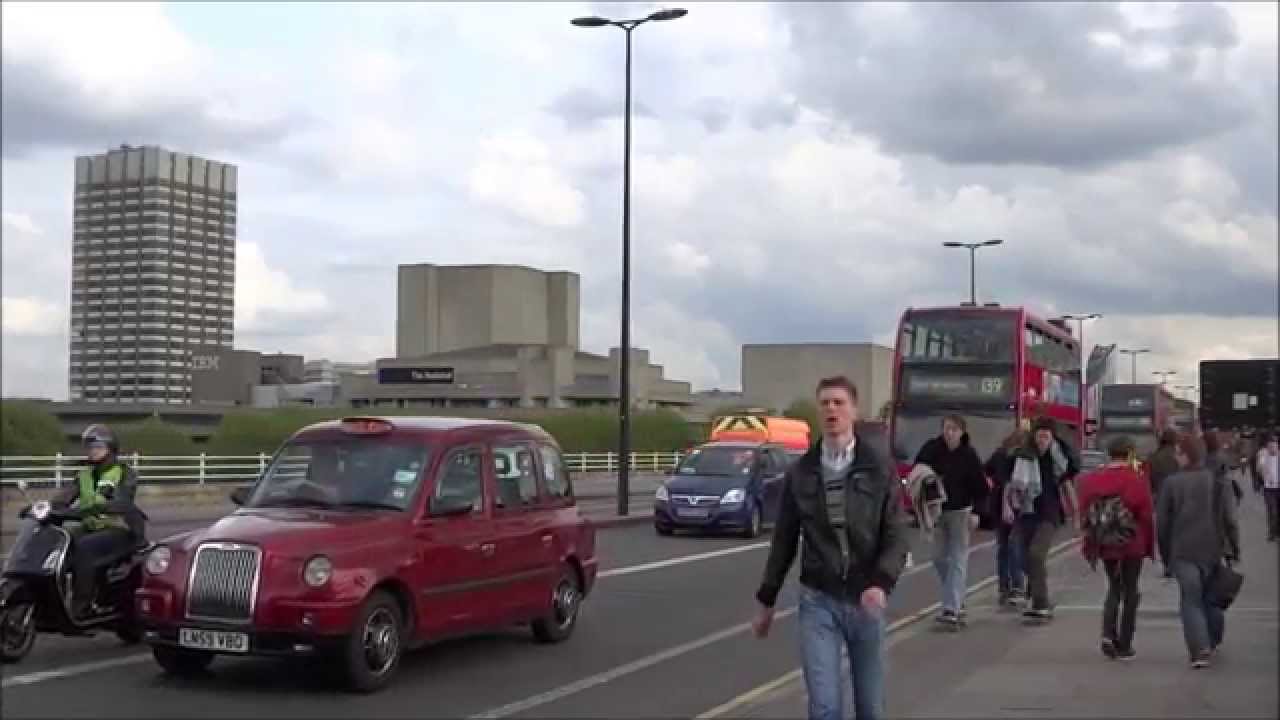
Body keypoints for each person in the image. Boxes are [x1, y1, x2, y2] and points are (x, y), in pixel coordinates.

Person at [753, 376, 909, 720]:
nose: (831, 409)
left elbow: (897, 533)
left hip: (866, 600)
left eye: (839, 402)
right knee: (825, 707)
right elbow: (784, 539)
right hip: (818, 599)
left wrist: (881, 583)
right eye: (824, 403)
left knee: (870, 708)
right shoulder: (802, 472)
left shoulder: (878, 469)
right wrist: (767, 599)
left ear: (854, 410)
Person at [1157, 434, 1240, 668]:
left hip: (1183, 551)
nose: (1175, 456)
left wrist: (1166, 556)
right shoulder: (1217, 481)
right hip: (1212, 549)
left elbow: (1163, 524)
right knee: (1210, 597)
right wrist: (1234, 547)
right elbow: (1229, 518)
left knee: (1191, 600)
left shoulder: (1171, 484)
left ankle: (1200, 649)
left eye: (1178, 452)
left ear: (1186, 455)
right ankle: (1212, 640)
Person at [52, 425, 146, 619]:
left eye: (98, 446)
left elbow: (122, 500)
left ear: (110, 449)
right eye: (90, 447)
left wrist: (100, 507)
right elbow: (64, 497)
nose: (93, 451)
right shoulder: (84, 474)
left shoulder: (124, 473)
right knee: (57, 541)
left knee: (83, 548)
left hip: (120, 528)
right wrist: (47, 508)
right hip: (92, 526)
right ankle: (53, 597)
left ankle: (82, 605)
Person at [1077, 435, 1154, 661]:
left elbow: (1085, 513)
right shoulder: (1136, 479)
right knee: (1131, 591)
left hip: (1105, 544)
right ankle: (1124, 644)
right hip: (1131, 545)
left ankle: (1107, 634)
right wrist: (1150, 546)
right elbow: (1147, 516)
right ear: (1129, 454)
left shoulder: (1092, 479)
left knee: (1113, 587)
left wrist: (1090, 543)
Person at [912, 415, 988, 626]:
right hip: (936, 511)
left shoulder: (969, 455)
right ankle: (956, 595)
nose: (950, 432)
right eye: (947, 428)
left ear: (962, 432)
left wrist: (977, 513)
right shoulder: (932, 449)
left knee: (957, 557)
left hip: (961, 511)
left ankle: (951, 608)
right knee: (938, 557)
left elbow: (980, 488)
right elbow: (917, 469)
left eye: (954, 429)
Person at [1006, 417, 1080, 621]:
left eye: (1046, 437)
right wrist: (1008, 506)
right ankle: (1035, 593)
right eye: (1039, 436)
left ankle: (1041, 603)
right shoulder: (1023, 457)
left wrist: (1076, 516)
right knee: (1021, 557)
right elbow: (1011, 484)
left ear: (1052, 438)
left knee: (1036, 555)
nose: (1042, 441)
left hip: (1049, 513)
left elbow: (1067, 487)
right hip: (1025, 513)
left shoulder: (1057, 462)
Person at [985, 429, 1028, 608]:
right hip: (1015, 505)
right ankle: (1017, 585)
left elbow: (986, 471)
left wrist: (992, 486)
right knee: (1014, 546)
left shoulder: (998, 454)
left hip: (997, 505)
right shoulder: (1020, 457)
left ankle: (1004, 587)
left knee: (1003, 547)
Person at [1203, 431, 1242, 505]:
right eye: (1235, 436)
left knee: (1231, 480)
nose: (1234, 440)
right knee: (1231, 480)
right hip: (1229, 465)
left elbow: (1241, 454)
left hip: (1232, 465)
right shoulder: (1227, 446)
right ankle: (1238, 493)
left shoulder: (1238, 445)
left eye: (1237, 436)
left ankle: (1238, 493)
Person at [1257, 435, 1280, 541]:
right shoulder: (1263, 455)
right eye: (1270, 446)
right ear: (1267, 446)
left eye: (1274, 446)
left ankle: (1277, 532)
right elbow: (1260, 468)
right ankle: (1272, 533)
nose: (1272, 448)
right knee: (1272, 511)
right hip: (1269, 489)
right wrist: (1266, 474)